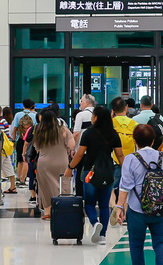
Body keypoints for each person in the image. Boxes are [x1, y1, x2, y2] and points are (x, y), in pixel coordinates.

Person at [116, 124, 163, 265]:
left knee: (136, 244)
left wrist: (120, 207)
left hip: (137, 209)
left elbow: (125, 186)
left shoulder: (131, 159)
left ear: (135, 140)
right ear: (153, 140)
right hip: (161, 209)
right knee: (160, 241)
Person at [66, 105, 124, 244]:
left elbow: (80, 154)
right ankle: (103, 236)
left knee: (90, 203)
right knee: (104, 205)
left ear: (96, 118)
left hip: (90, 172)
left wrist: (70, 167)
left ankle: (94, 222)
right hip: (108, 172)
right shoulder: (113, 134)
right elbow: (120, 155)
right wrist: (127, 170)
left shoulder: (88, 133)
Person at [31, 109, 75, 219]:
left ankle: (47, 212)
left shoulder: (39, 131)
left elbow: (36, 147)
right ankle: (62, 208)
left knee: (45, 187)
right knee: (62, 184)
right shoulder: (63, 130)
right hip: (61, 161)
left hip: (44, 163)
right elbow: (72, 144)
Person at [111, 97, 138, 198]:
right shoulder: (134, 124)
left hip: (115, 160)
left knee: (113, 188)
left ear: (113, 110)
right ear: (126, 108)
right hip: (130, 161)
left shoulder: (111, 123)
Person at [0, 106, 17, 194]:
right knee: (7, 166)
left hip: (1, 147)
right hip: (6, 148)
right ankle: (13, 186)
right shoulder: (4, 121)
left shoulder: (0, 121)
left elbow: (0, 135)